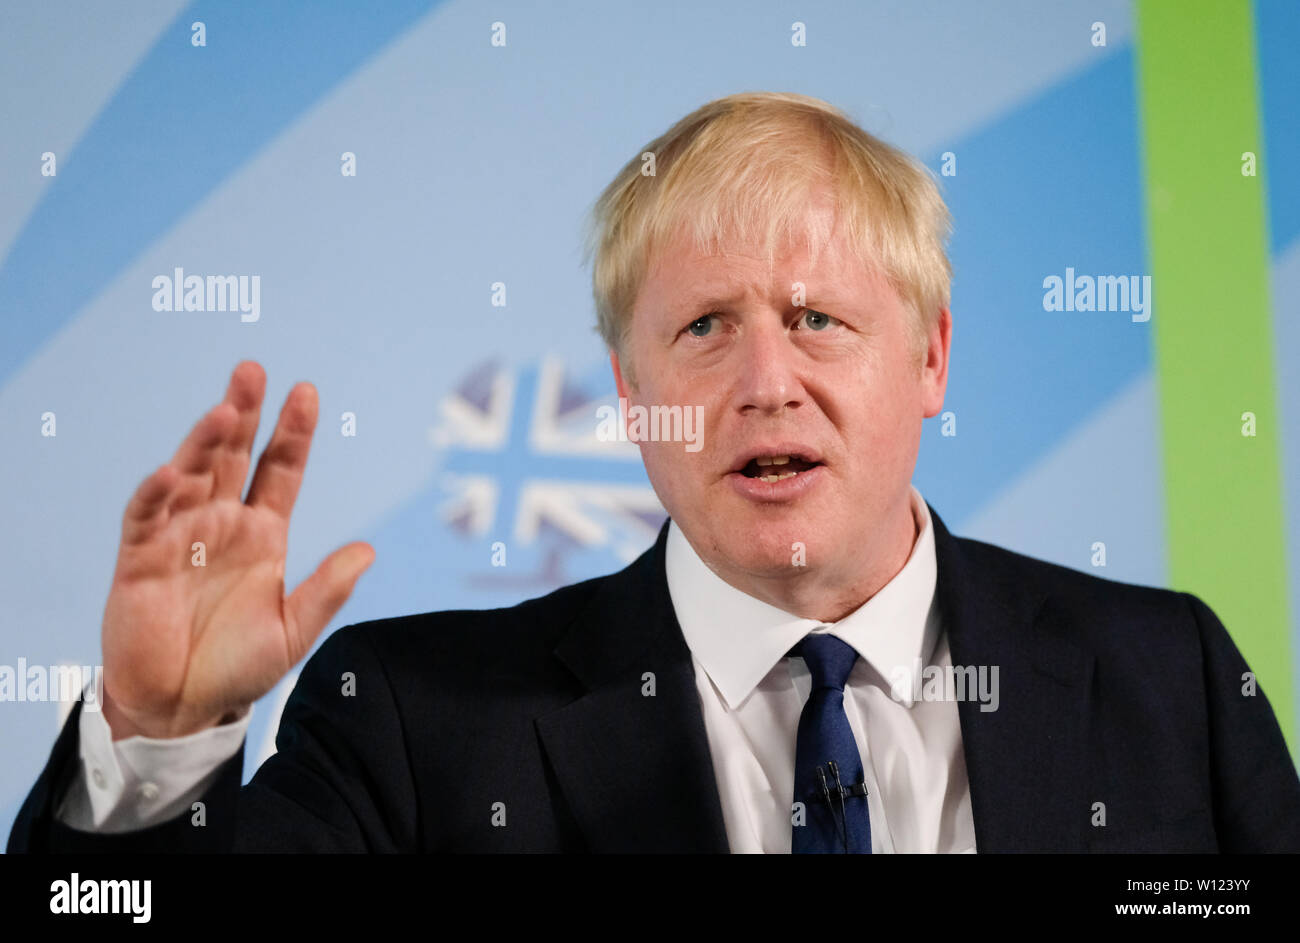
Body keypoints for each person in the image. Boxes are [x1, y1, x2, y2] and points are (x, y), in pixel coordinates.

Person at [8, 92, 1300, 853]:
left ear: (931, 357)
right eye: (701, 329)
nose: (763, 382)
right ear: (631, 398)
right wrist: (160, 746)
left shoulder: (1166, 678)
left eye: (818, 319)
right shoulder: (412, 719)